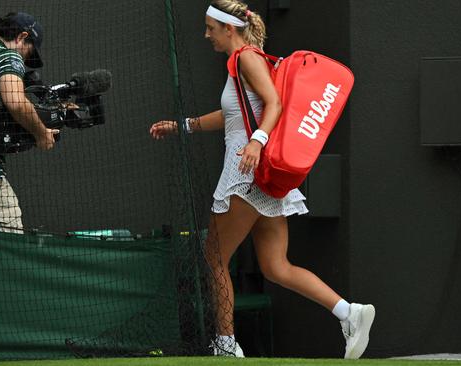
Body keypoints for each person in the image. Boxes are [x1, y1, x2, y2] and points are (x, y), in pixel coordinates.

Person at [149, 0, 375, 358]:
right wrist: (184, 126)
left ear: (229, 29)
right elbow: (234, 115)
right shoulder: (245, 61)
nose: (206, 34)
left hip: (246, 172)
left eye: (211, 27)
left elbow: (274, 104)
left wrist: (257, 141)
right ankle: (349, 313)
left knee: (214, 257)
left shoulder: (245, 59)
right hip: (260, 177)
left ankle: (225, 345)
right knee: (275, 266)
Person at [0, 12, 58, 233]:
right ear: (21, 37)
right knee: (10, 242)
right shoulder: (6, 55)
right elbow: (16, 102)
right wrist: (41, 133)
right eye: (29, 51)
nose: (26, 61)